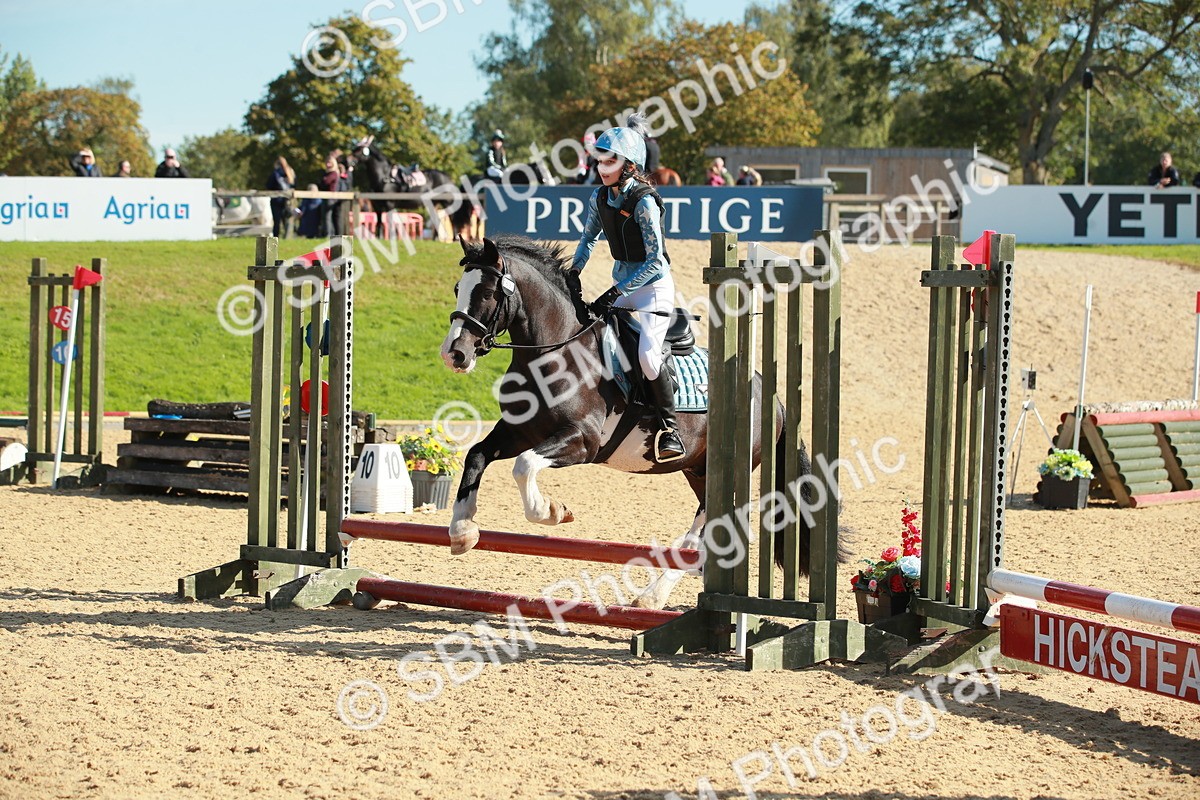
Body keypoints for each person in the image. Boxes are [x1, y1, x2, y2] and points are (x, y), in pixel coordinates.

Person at [572, 113, 685, 463]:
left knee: (649, 358)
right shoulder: (599, 197)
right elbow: (587, 239)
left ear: (630, 165)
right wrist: (573, 272)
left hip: (653, 288)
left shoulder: (644, 201)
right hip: (621, 285)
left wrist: (619, 292)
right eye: (601, 161)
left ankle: (670, 430)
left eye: (611, 161)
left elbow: (656, 262)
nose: (603, 169)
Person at [265, 156, 295, 238]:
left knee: (277, 221)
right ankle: (288, 237)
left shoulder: (275, 174)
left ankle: (276, 237)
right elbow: (293, 185)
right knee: (287, 220)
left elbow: (269, 185)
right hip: (288, 200)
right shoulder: (290, 172)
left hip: (276, 200)